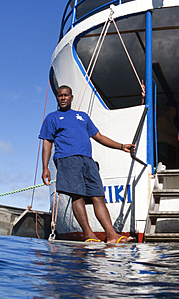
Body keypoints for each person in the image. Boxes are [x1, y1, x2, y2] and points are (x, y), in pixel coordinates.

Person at [40, 85, 136, 243]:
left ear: (71, 97)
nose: (63, 98)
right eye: (59, 96)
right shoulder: (52, 117)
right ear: (57, 98)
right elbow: (47, 142)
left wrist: (121, 146)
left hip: (87, 160)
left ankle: (112, 235)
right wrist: (45, 168)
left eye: (65, 95)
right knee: (78, 197)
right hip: (67, 159)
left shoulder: (83, 116)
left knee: (98, 196)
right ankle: (89, 235)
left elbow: (99, 136)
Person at [156, 103, 179, 169]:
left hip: (168, 145)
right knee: (165, 163)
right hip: (164, 145)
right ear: (167, 111)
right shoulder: (162, 119)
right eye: (172, 112)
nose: (174, 114)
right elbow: (173, 131)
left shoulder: (167, 120)